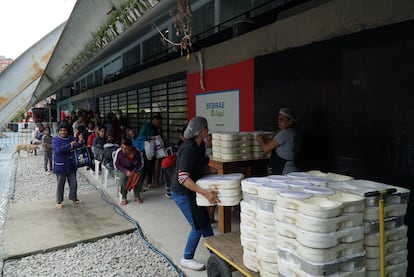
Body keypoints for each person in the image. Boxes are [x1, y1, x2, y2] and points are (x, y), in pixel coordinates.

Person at [170, 116, 218, 271]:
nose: (208, 130)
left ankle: (216, 252)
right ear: (202, 130)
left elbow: (199, 167)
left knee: (204, 220)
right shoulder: (189, 148)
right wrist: (205, 192)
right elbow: (183, 177)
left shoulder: (200, 145)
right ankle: (187, 257)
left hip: (191, 190)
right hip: (182, 192)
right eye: (206, 127)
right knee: (197, 225)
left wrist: (213, 172)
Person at [255, 107, 300, 174]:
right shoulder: (294, 132)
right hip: (291, 167)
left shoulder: (285, 133)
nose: (279, 122)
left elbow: (266, 149)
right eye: (278, 119)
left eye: (281, 119)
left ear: (290, 121)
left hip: (284, 169)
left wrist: (260, 139)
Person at [52, 122, 84, 209]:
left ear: (68, 131)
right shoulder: (55, 140)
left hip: (71, 165)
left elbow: (77, 146)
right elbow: (58, 150)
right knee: (60, 184)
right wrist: (70, 145)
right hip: (60, 166)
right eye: (61, 130)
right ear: (58, 131)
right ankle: (58, 201)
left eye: (64, 130)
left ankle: (74, 198)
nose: (63, 132)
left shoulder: (72, 138)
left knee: (73, 183)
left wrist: (80, 141)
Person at [114, 138, 145, 205]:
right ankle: (124, 197)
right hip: (121, 170)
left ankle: (137, 195)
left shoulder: (137, 152)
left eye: (126, 148)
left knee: (138, 175)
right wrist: (126, 171)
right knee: (123, 177)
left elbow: (140, 164)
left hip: (134, 170)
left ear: (130, 147)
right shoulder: (119, 152)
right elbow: (116, 165)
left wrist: (134, 171)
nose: (123, 150)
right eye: (122, 147)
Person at [139, 114, 163, 189]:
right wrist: (149, 137)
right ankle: (140, 183)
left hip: (154, 149)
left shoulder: (156, 127)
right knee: (146, 166)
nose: (159, 124)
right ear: (154, 120)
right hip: (147, 149)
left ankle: (149, 182)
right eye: (158, 122)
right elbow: (141, 136)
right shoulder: (146, 126)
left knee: (151, 166)